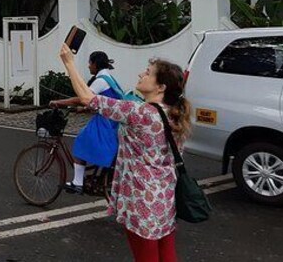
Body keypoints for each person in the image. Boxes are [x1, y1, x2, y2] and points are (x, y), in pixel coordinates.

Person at [59, 44, 191, 262]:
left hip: (141, 200)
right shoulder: (175, 115)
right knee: (166, 253)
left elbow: (87, 98)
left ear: (160, 87)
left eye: (148, 73)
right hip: (165, 197)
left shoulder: (140, 113)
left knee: (145, 257)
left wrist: (69, 63)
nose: (141, 74)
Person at [50, 50, 123, 193]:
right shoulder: (108, 78)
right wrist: (83, 110)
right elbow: (98, 101)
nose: (89, 66)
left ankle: (78, 182)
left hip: (105, 122)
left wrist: (59, 102)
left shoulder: (101, 81)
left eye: (90, 63)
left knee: (81, 142)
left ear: (95, 64)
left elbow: (83, 98)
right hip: (112, 120)